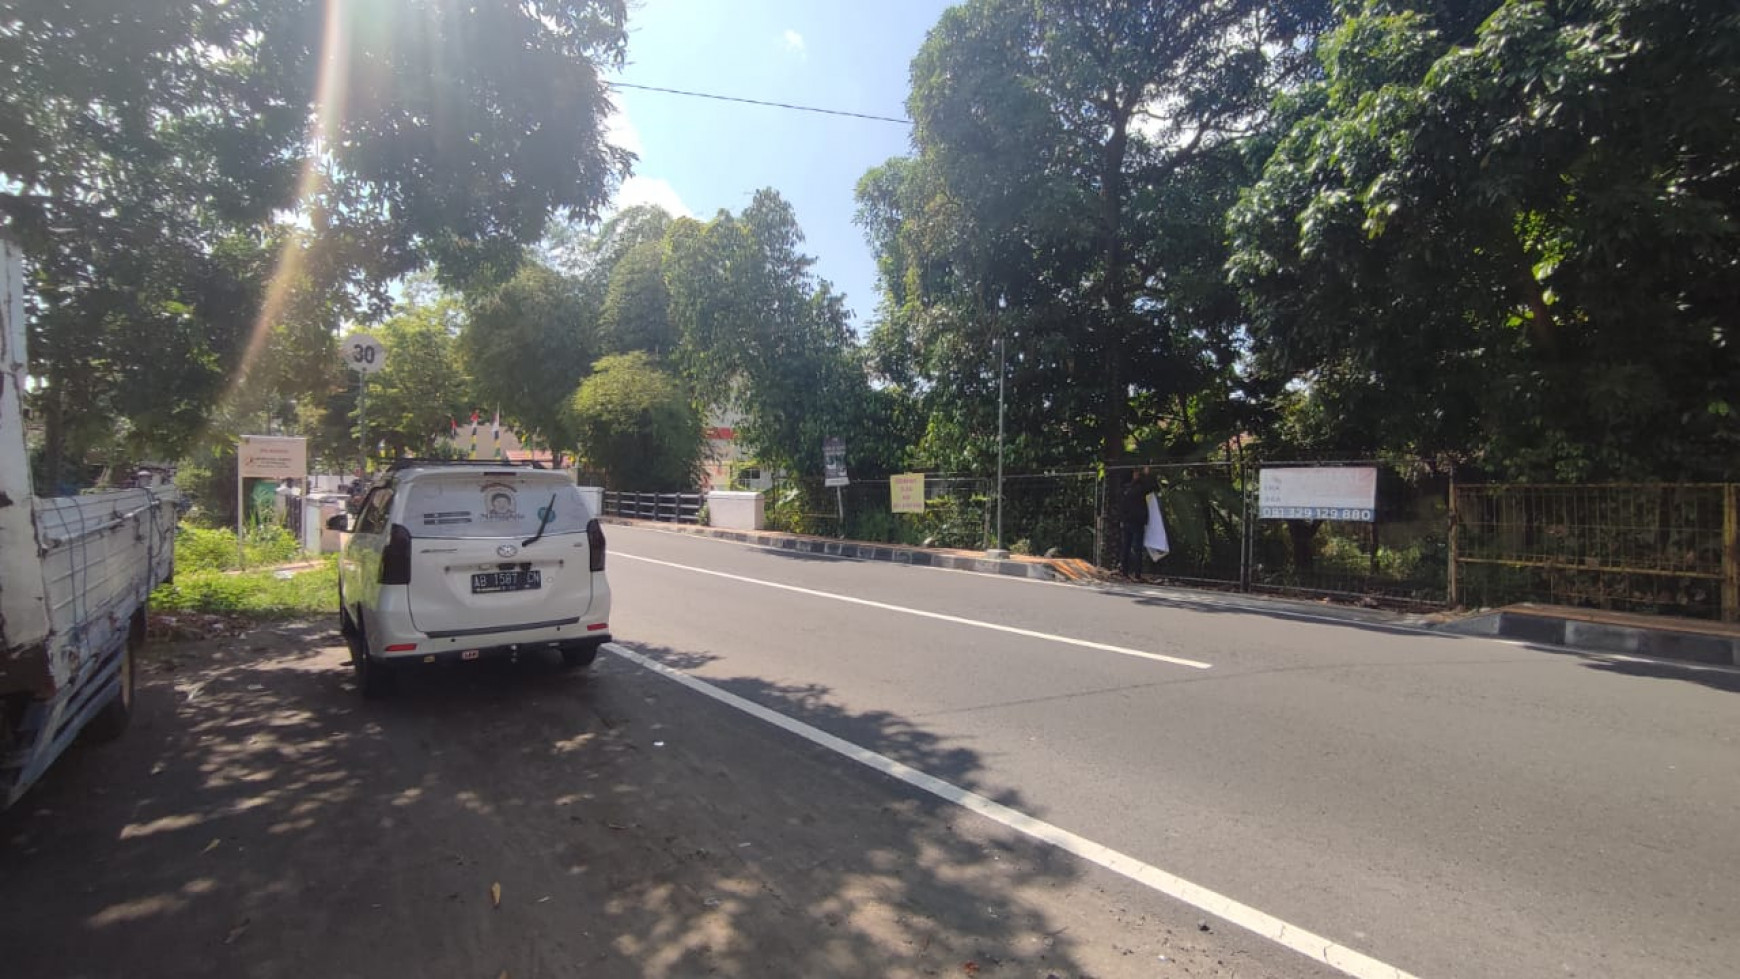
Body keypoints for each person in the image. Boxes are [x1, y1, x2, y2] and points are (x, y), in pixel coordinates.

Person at [1120, 468, 1156, 580]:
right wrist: (1147, 475)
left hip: (1128, 520)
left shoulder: (1126, 489)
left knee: (1127, 546)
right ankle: (1136, 573)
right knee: (1136, 548)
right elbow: (1152, 487)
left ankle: (1125, 571)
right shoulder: (1140, 488)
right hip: (1136, 521)